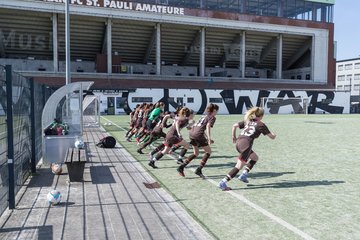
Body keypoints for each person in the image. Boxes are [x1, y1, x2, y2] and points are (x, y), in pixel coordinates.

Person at [218, 107, 276, 191]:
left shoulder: (248, 121)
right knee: (238, 166)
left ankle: (244, 175)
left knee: (255, 158)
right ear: (262, 116)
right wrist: (274, 134)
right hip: (246, 145)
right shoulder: (261, 124)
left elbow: (234, 125)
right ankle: (223, 182)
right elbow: (272, 137)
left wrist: (233, 137)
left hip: (239, 142)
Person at [177, 103, 219, 178]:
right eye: (216, 111)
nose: (216, 113)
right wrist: (209, 138)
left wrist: (207, 138)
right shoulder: (212, 117)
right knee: (208, 151)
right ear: (214, 110)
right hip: (198, 134)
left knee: (196, 153)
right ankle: (199, 169)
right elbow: (208, 126)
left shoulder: (204, 116)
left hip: (192, 133)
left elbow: (200, 127)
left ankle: (181, 167)